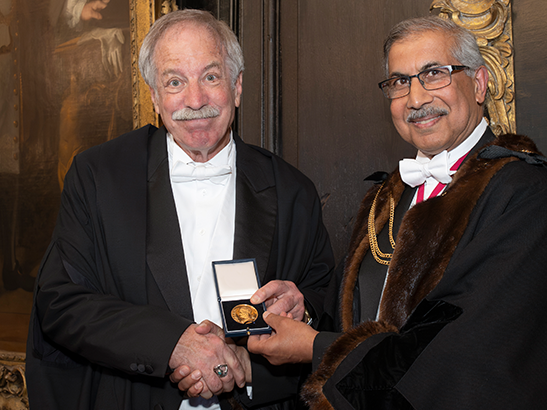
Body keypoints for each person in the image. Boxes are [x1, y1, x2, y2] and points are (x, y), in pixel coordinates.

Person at [242, 16, 547, 409]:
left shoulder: (525, 192)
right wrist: (303, 313)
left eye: (434, 74)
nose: (416, 98)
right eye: (400, 82)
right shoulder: (387, 197)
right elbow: (352, 317)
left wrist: (317, 347)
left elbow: (463, 355)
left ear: (478, 84)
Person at [26, 9, 333, 410]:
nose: (195, 100)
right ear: (154, 96)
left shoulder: (294, 191)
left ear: (237, 86)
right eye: (175, 82)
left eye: (211, 76)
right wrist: (173, 344)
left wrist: (302, 310)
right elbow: (61, 302)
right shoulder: (98, 176)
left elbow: (325, 304)